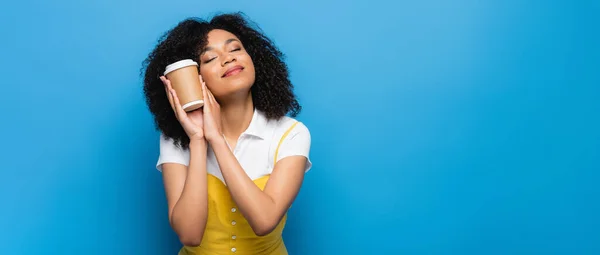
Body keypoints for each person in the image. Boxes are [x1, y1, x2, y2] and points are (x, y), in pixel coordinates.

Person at [141, 12, 312, 255]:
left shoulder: (291, 133)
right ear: (192, 78)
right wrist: (198, 140)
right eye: (210, 58)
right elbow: (189, 234)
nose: (228, 59)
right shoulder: (175, 140)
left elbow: (264, 221)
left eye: (236, 49)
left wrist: (216, 140)